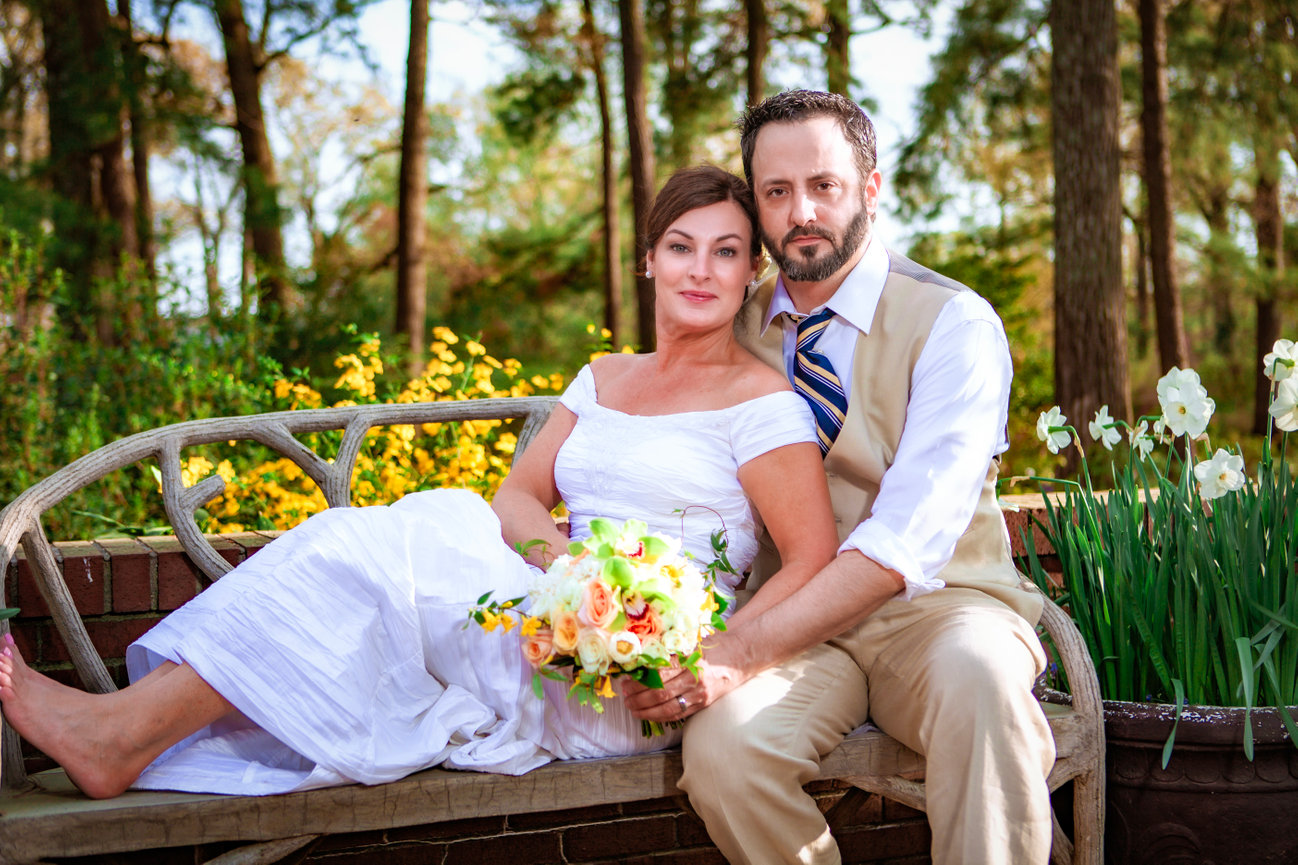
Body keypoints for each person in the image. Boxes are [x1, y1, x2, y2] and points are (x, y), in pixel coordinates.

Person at [0, 165, 841, 800]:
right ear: (650, 260)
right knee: (398, 537)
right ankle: (124, 734)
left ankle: (121, 733)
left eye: (727, 251)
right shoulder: (603, 377)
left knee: (405, 536)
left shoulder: (761, 403)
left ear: (750, 275)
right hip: (547, 614)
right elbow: (516, 498)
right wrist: (571, 570)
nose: (702, 269)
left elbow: (811, 559)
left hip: (631, 682)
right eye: (682, 246)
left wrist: (704, 659)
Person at [623, 91, 1055, 864]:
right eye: (777, 192)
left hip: (938, 609)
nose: (802, 213)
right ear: (754, 204)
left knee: (985, 682)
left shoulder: (954, 323)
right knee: (724, 752)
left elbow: (904, 541)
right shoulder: (731, 323)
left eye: (823, 185)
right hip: (789, 617)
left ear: (870, 189)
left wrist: (736, 651)